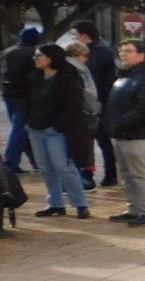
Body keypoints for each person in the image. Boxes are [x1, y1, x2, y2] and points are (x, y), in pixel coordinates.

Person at [25, 44, 93, 218]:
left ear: (51, 58)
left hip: (56, 131)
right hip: (36, 129)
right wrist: (28, 121)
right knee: (45, 168)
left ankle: (80, 204)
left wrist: (57, 125)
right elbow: (28, 102)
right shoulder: (34, 78)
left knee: (63, 166)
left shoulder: (67, 79)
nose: (35, 59)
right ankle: (55, 203)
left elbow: (74, 106)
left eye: (39, 56)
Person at [104, 39, 145, 226]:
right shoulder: (124, 75)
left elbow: (144, 108)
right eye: (121, 50)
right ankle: (134, 209)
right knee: (127, 175)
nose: (123, 54)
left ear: (141, 54)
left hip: (137, 135)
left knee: (141, 174)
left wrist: (120, 124)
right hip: (120, 134)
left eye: (128, 50)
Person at [70, 21, 118, 186]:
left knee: (103, 140)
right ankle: (87, 174)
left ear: (84, 35)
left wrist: (104, 103)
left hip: (99, 104)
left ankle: (110, 173)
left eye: (75, 34)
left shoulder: (105, 53)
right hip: (82, 104)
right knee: (85, 141)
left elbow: (110, 80)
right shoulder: (76, 52)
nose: (74, 38)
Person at [2, 27, 42, 173]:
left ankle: (34, 162)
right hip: (24, 95)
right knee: (20, 130)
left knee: (20, 129)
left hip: (8, 93)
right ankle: (10, 163)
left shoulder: (7, 52)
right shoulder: (33, 53)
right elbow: (35, 75)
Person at [64, 41, 102, 192]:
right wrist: (94, 108)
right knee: (82, 147)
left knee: (81, 147)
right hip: (81, 115)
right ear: (75, 55)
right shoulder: (75, 71)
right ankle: (83, 178)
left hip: (80, 115)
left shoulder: (77, 69)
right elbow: (88, 93)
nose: (86, 59)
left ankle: (82, 177)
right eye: (84, 55)